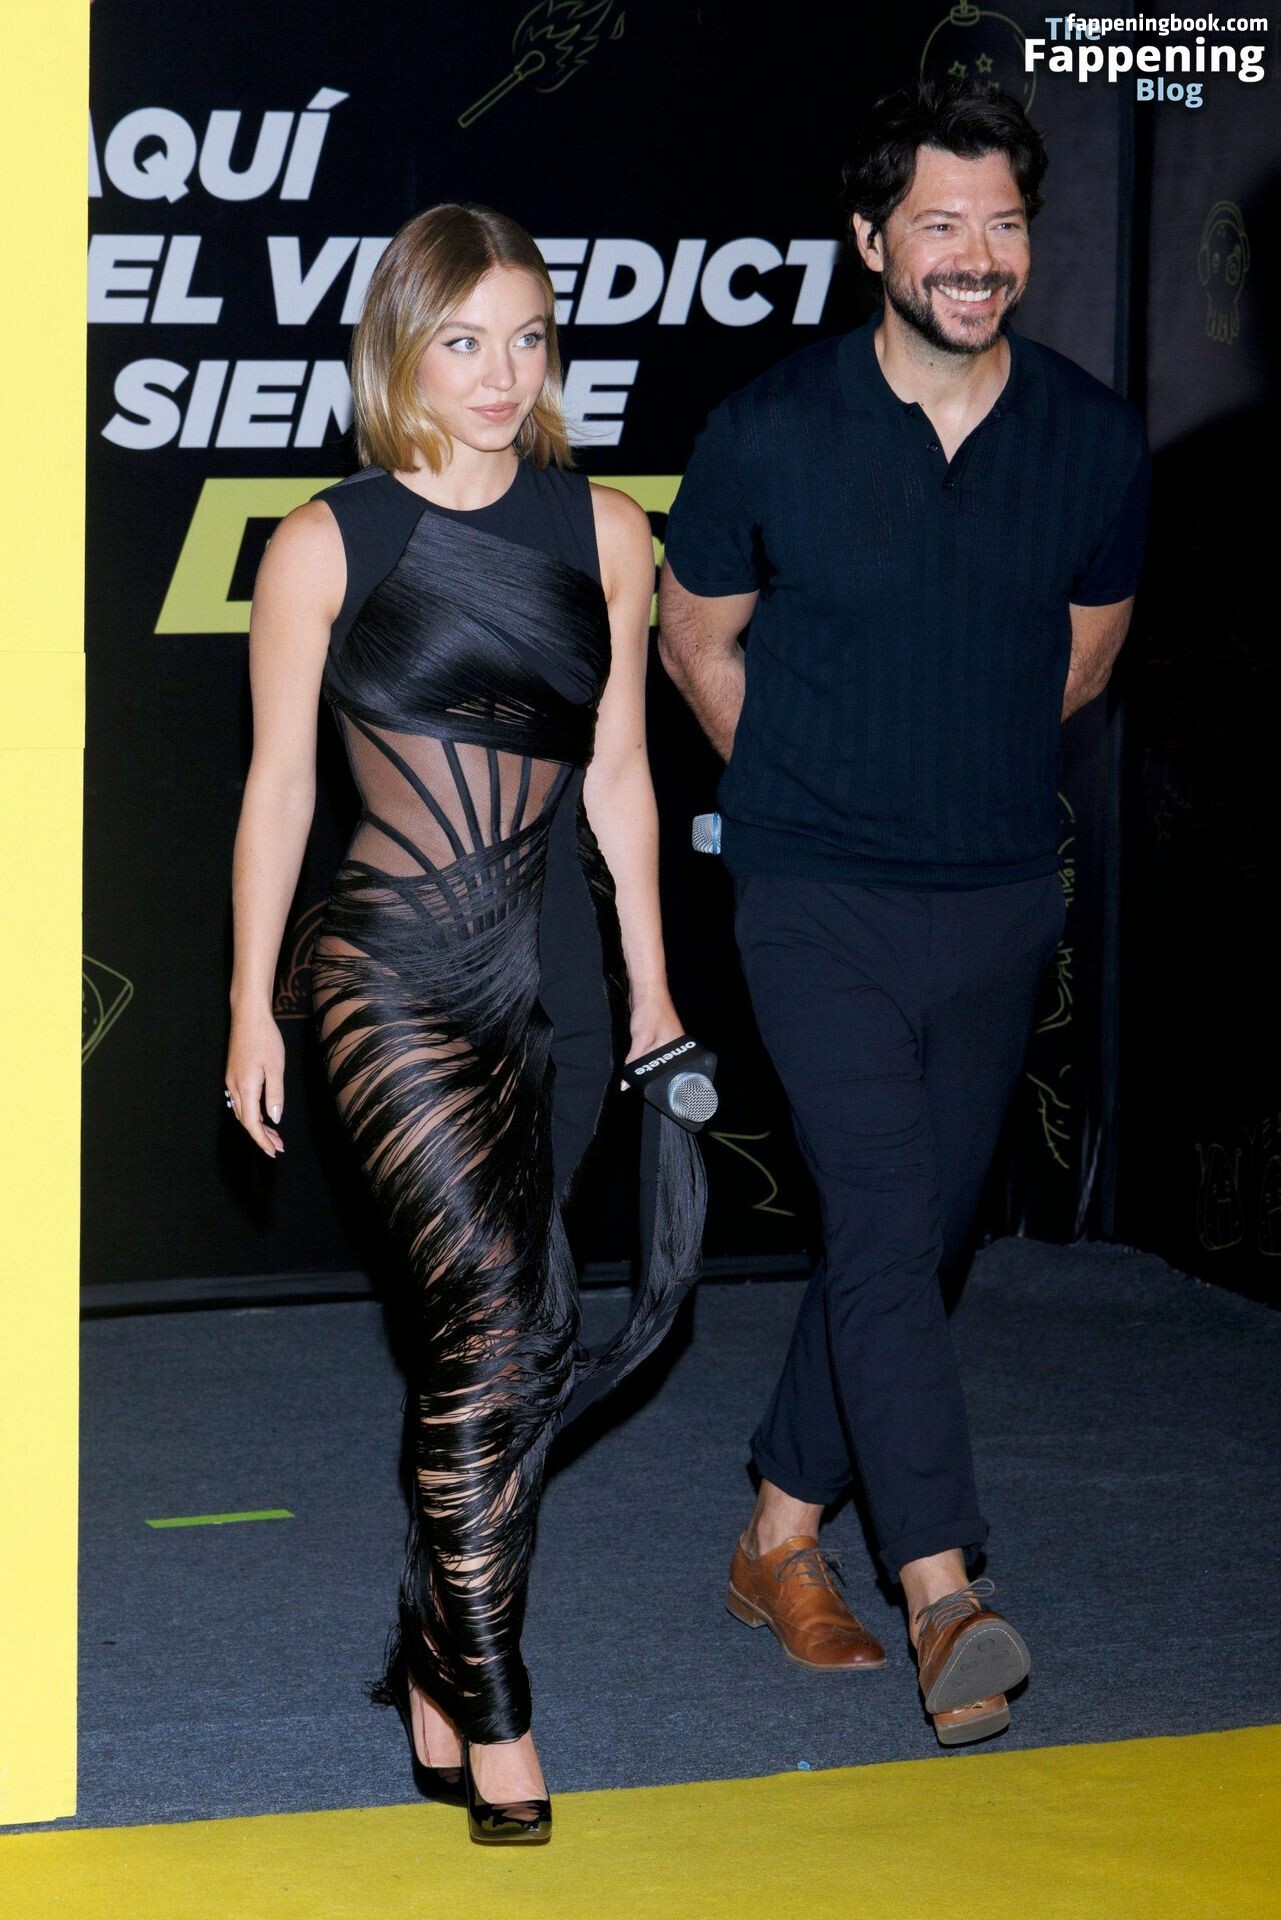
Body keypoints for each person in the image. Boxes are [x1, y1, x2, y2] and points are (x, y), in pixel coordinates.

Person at [658, 82, 1150, 1746]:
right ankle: (943, 1586)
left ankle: (773, 1533)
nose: (975, 256)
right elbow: (693, 639)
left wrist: (954, 780)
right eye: (939, 223)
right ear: (870, 239)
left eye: (1001, 224)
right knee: (880, 1213)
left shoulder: (1091, 436)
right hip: (812, 893)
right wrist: (808, 793)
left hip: (998, 897)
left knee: (913, 1237)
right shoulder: (768, 428)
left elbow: (1083, 657)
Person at [224, 203, 706, 1841]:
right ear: (401, 349)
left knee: (519, 1338)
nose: (502, 375)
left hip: (547, 975)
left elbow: (621, 778)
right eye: (463, 340)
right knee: (496, 1324)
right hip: (385, 974)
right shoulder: (325, 542)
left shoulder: (610, 533)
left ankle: (434, 1650)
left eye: (528, 339)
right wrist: (248, 1001)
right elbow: (279, 790)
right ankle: (494, 1706)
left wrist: (650, 989)